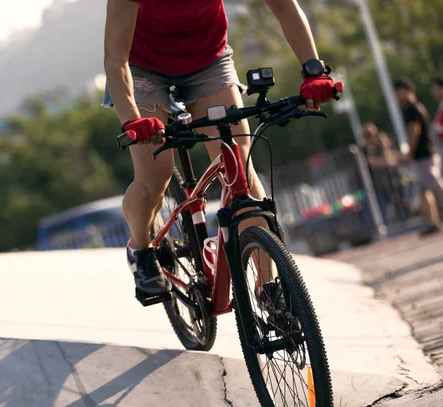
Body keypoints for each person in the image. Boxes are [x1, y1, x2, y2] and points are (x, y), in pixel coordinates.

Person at [103, 0, 342, 297]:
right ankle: (140, 249)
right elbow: (115, 57)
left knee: (238, 163)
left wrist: (313, 71)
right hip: (142, 69)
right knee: (155, 174)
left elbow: (284, 7)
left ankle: (270, 289)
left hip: (208, 62)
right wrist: (132, 119)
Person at [394, 77, 443, 235]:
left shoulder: (414, 108)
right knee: (423, 191)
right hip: (424, 155)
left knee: (438, 186)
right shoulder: (417, 107)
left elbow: (414, 131)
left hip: (424, 154)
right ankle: (432, 222)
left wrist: (409, 153)